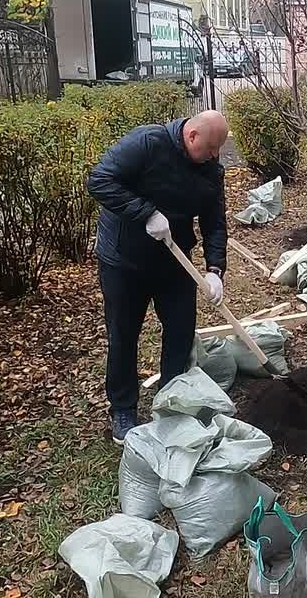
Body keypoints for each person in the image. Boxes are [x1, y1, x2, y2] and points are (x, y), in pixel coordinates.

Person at [87, 110, 230, 444]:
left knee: (180, 332)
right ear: (192, 135)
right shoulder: (146, 143)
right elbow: (100, 181)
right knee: (123, 335)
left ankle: (172, 400)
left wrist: (214, 269)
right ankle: (122, 409)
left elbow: (214, 222)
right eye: (209, 148)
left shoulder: (210, 170)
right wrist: (146, 212)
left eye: (217, 151)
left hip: (174, 263)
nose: (213, 156)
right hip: (124, 260)